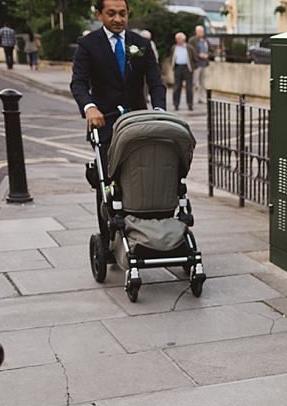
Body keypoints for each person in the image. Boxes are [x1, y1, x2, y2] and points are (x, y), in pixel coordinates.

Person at [70, 0, 166, 236]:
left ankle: (145, 231)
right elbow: (79, 83)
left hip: (139, 124)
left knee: (144, 177)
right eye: (111, 14)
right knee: (107, 182)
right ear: (99, 14)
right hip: (104, 123)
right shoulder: (88, 44)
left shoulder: (141, 44)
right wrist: (90, 107)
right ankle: (109, 235)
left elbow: (155, 82)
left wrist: (160, 112)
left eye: (122, 14)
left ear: (127, 14)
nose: (117, 19)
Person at [171, 32, 195, 111]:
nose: (177, 40)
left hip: (187, 68)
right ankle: (176, 104)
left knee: (189, 87)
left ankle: (190, 104)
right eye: (176, 39)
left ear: (183, 39)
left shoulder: (189, 47)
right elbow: (171, 57)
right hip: (178, 67)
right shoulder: (174, 47)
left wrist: (193, 67)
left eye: (179, 39)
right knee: (177, 87)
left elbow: (195, 58)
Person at [188, 25, 210, 104]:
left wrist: (207, 55)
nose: (202, 33)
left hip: (204, 64)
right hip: (196, 64)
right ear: (196, 32)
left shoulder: (205, 41)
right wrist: (198, 55)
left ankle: (201, 97)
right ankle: (191, 98)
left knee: (202, 82)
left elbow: (210, 50)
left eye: (203, 31)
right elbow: (190, 51)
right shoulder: (192, 40)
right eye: (200, 31)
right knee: (194, 82)